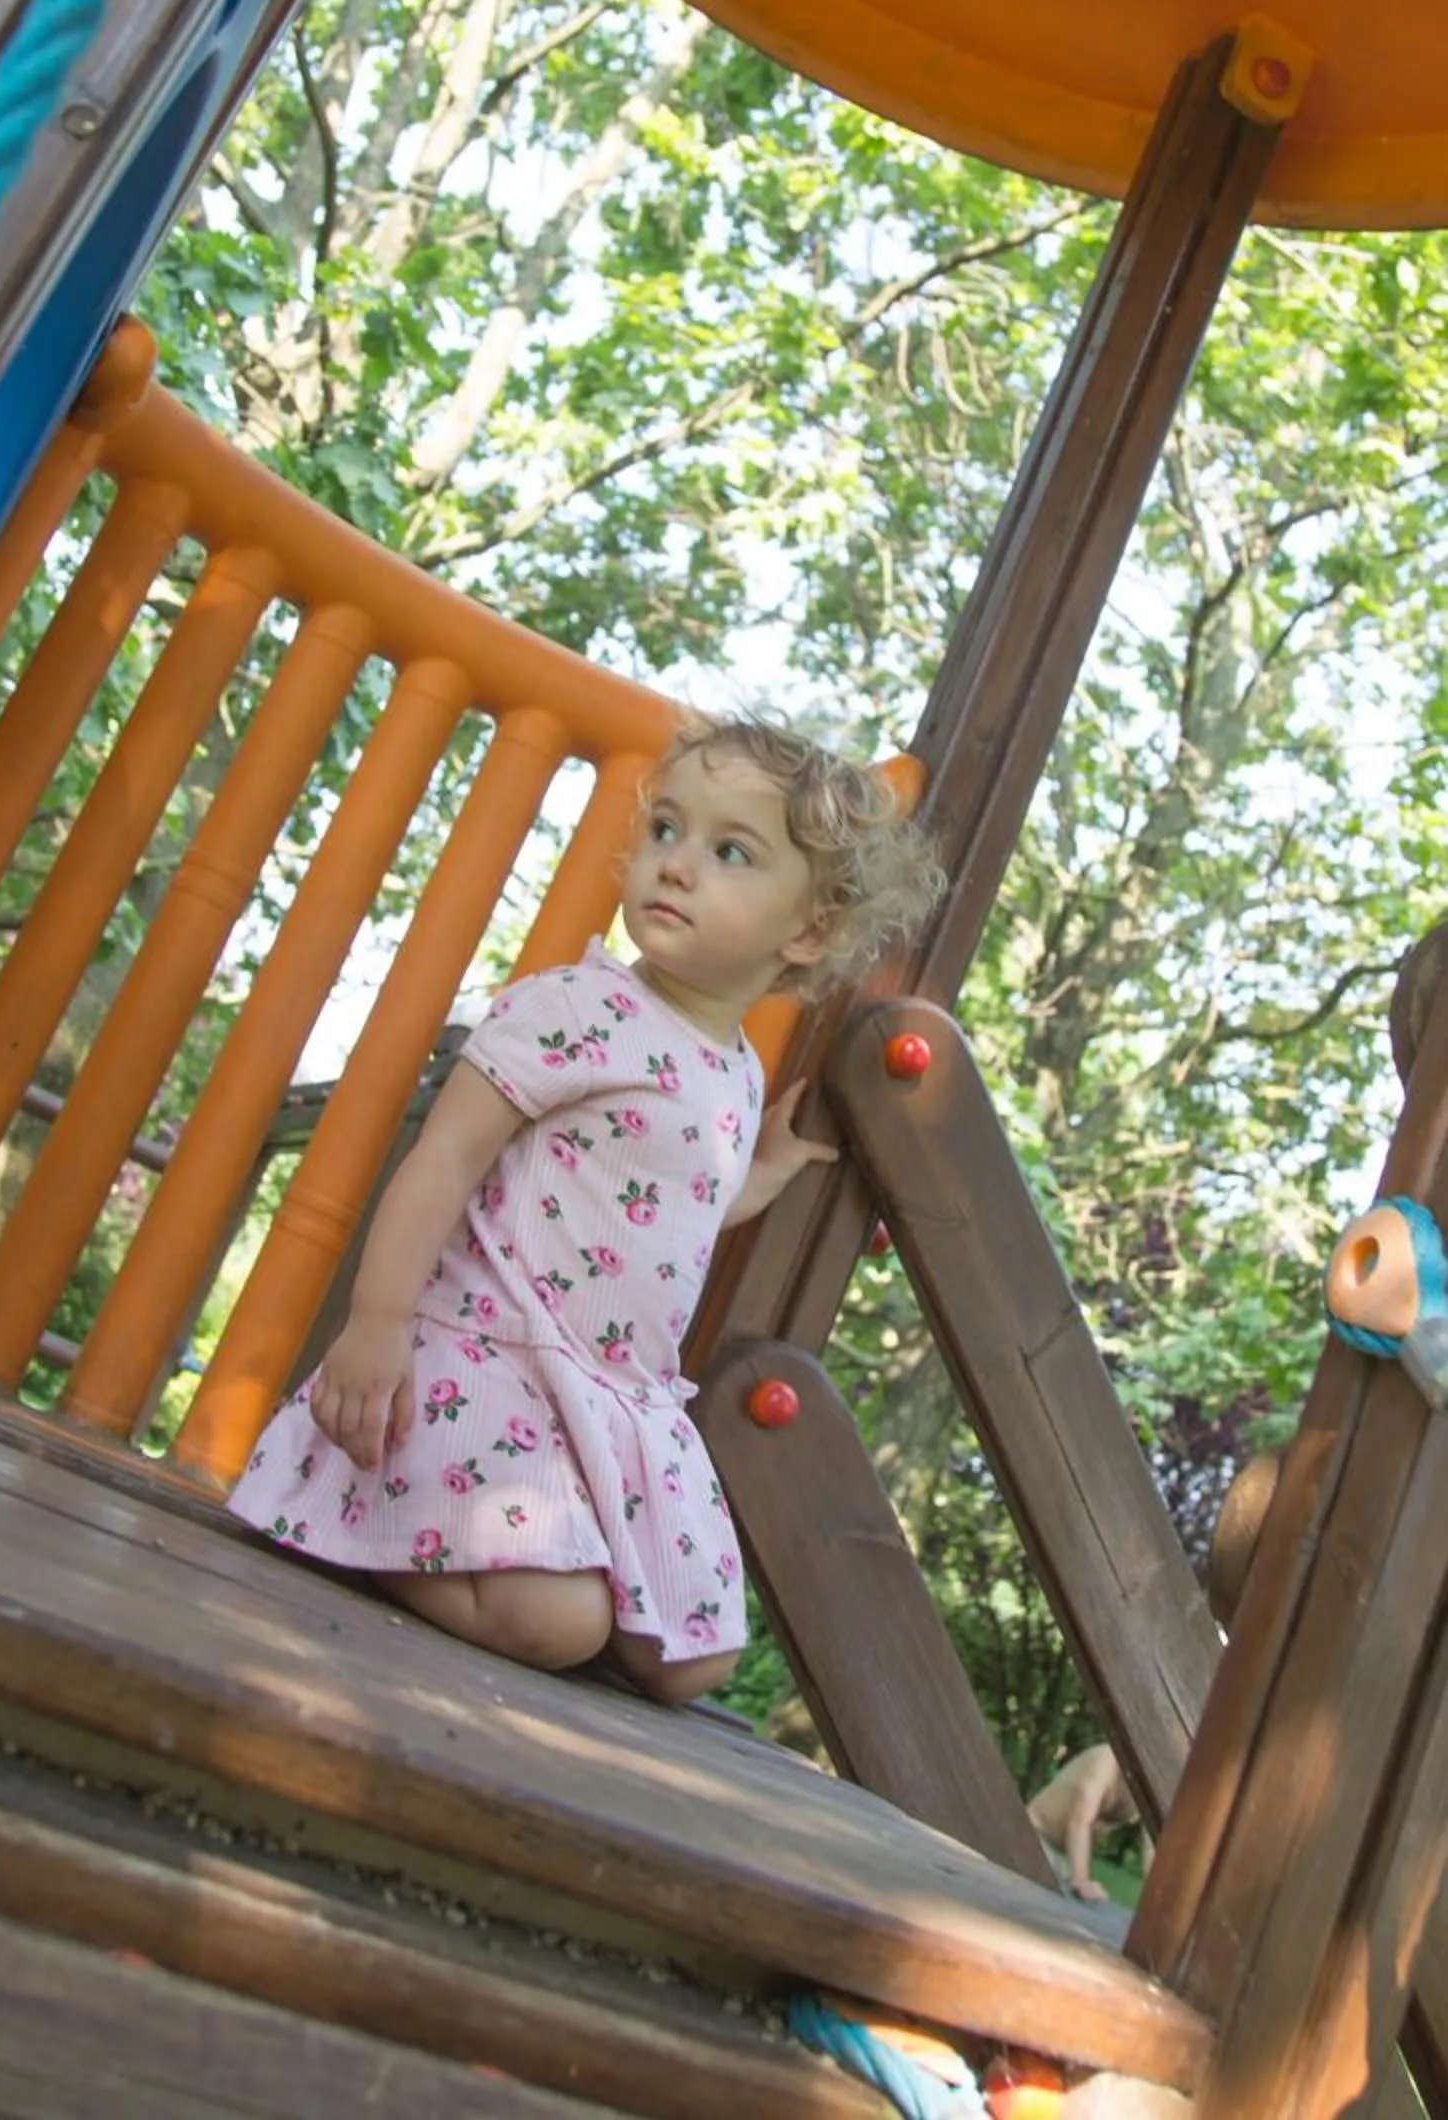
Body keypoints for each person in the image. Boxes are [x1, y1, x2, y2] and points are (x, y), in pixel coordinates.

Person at [228, 713, 942, 1703]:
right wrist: (378, 1323)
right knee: (558, 1626)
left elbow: (665, 1208)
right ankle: (360, 1522)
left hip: (613, 1401)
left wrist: (764, 1174)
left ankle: (522, 1573)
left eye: (729, 851)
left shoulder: (733, 1070)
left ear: (810, 929)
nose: (676, 865)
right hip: (489, 1363)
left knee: (694, 1658)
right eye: (665, 831)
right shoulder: (575, 1008)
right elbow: (444, 1161)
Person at [1026, 1744, 1150, 1903]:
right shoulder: (1106, 1761)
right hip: (1035, 1834)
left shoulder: (1151, 1786)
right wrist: (1081, 1881)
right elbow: (1079, 1821)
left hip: (1065, 1859)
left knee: (1091, 1908)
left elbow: (1153, 1848)